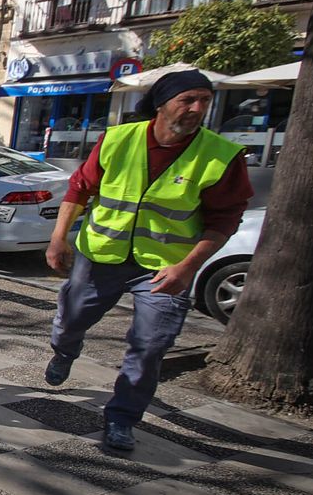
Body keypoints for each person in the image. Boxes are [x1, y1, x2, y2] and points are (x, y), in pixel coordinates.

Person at [44, 69, 251, 451]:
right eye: (186, 99)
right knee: (72, 318)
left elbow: (226, 219)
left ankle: (121, 418)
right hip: (101, 254)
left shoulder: (220, 155)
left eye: (204, 101)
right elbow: (79, 190)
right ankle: (65, 350)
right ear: (161, 104)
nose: (196, 108)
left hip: (165, 266)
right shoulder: (118, 139)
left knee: (151, 343)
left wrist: (188, 267)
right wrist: (59, 239)